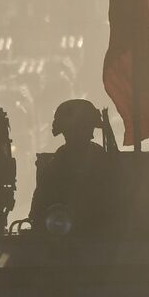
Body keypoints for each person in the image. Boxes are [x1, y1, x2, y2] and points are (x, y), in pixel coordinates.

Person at [29, 98, 110, 233]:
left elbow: (120, 201)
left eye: (85, 127)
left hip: (104, 235)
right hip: (62, 238)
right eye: (74, 129)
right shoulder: (54, 166)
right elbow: (39, 208)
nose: (80, 133)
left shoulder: (105, 162)